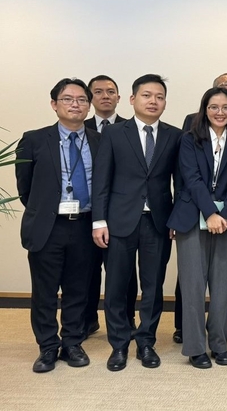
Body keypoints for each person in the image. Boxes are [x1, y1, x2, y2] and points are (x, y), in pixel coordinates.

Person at [92, 74, 182, 372]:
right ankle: (119, 345)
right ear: (132, 99)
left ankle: (146, 342)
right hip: (118, 221)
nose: (153, 101)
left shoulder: (174, 135)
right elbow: (100, 181)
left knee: (153, 286)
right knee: (117, 286)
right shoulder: (115, 133)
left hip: (157, 222)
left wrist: (176, 219)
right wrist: (98, 221)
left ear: (165, 102)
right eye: (146, 95)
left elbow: (179, 184)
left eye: (159, 96)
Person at [16, 78, 99, 373]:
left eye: (81, 99)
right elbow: (25, 188)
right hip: (48, 227)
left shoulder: (100, 141)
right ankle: (48, 347)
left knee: (79, 289)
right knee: (45, 291)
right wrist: (46, 212)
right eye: (67, 99)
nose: (75, 104)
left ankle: (73, 343)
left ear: (89, 106)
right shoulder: (34, 139)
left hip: (85, 225)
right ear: (54, 104)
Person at [168, 87, 227, 369]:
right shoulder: (189, 139)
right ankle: (195, 347)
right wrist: (210, 213)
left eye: (226, 107)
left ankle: (219, 343)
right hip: (193, 216)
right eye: (214, 107)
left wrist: (224, 215)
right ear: (204, 109)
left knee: (225, 286)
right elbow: (190, 179)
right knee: (192, 285)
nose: (220, 112)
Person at [82, 74, 138, 338]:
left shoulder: (133, 127)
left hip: (125, 214)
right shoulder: (78, 128)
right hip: (88, 213)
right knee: (88, 269)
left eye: (110, 91)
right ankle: (87, 319)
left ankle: (127, 319)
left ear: (119, 97)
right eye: (98, 92)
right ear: (90, 98)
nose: (105, 96)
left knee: (124, 273)